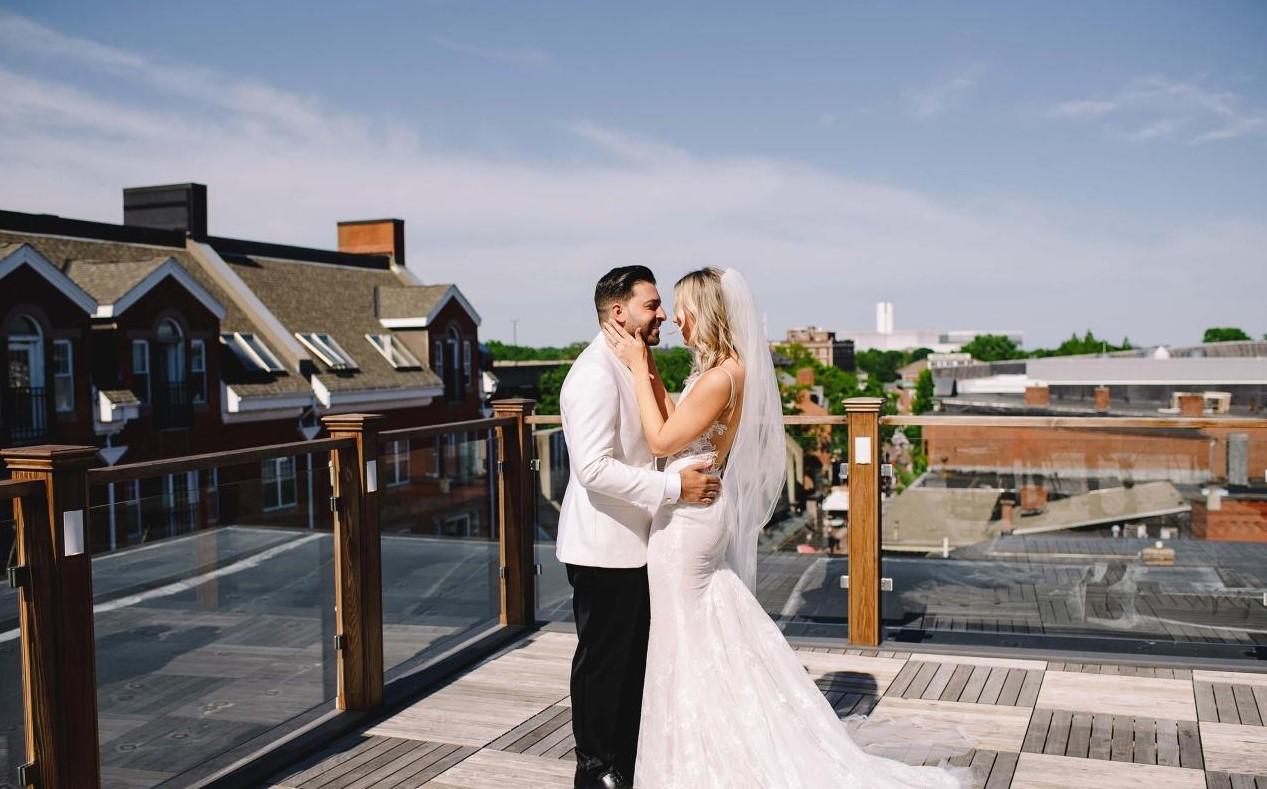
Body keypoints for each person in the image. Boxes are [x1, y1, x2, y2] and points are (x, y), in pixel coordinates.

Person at [604, 267, 961, 788]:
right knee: (701, 631)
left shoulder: (721, 376)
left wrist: (636, 365)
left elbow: (660, 442)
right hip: (693, 514)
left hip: (687, 524)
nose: (675, 318)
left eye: (681, 306)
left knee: (682, 637)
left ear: (705, 310)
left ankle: (702, 758)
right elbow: (676, 425)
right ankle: (711, 737)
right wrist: (651, 369)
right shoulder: (724, 370)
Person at [556, 265, 722, 789]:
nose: (663, 318)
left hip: (637, 546)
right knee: (603, 666)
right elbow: (594, 469)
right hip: (603, 548)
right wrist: (675, 489)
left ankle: (625, 762)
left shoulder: (630, 364)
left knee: (630, 666)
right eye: (652, 306)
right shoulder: (592, 375)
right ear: (618, 312)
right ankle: (596, 771)